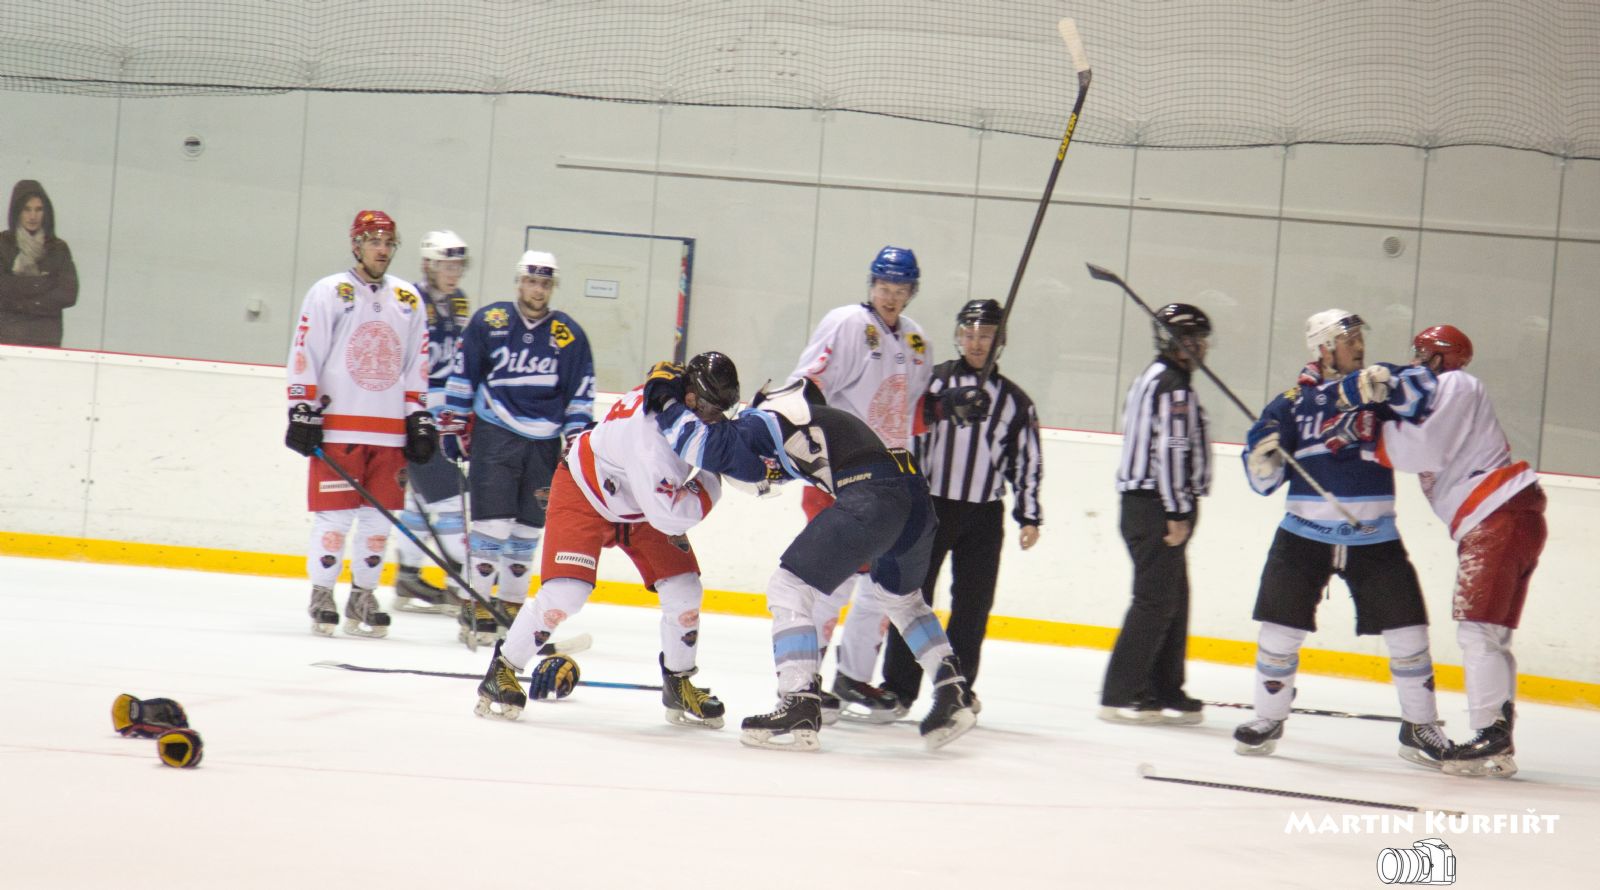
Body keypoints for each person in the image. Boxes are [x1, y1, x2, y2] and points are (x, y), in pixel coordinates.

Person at [649, 373, 985, 751]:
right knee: (904, 601)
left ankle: (798, 700)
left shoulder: (768, 416)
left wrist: (663, 397)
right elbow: (767, 471)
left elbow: (706, 445)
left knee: (788, 586)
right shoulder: (817, 424)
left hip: (872, 496)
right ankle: (951, 689)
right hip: (917, 502)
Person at [473, 353, 739, 728]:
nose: (717, 419)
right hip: (586, 492)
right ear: (692, 399)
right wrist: (715, 470)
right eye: (713, 409)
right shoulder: (651, 442)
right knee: (565, 594)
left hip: (638, 498)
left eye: (723, 409)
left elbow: (662, 368)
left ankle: (679, 681)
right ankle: (501, 671)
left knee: (684, 589)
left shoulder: (676, 394)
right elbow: (673, 514)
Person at [1232, 308, 1449, 768]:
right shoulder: (1289, 403)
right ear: (1324, 347)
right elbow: (1261, 477)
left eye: (1358, 337)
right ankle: (1268, 717)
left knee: (1409, 632)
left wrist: (1384, 386)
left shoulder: (1378, 381)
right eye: (1348, 338)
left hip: (1375, 536)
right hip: (1302, 536)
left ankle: (1420, 726)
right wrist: (1263, 459)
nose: (1359, 345)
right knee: (1279, 630)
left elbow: (1425, 391)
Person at [1368, 325, 1546, 778]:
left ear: (1439, 357)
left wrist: (1370, 428)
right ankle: (1497, 740)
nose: (1416, 361)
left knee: (1477, 633)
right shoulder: (1442, 392)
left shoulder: (1456, 384)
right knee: (1491, 636)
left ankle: (1490, 733)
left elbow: (1423, 449)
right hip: (1502, 516)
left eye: (1423, 353)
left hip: (1495, 515)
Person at [787, 244, 933, 722]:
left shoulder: (916, 342)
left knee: (879, 587)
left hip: (889, 481)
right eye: (885, 287)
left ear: (912, 292)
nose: (892, 296)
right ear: (872, 285)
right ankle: (807, 681)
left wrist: (946, 410)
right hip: (841, 472)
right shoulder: (849, 323)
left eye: (901, 289)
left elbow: (909, 413)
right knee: (835, 579)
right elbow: (809, 381)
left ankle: (851, 676)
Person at [881, 298, 1042, 715]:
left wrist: (1030, 514)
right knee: (912, 599)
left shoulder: (1015, 402)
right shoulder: (933, 385)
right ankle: (898, 689)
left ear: (999, 341)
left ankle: (957, 691)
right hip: (931, 506)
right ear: (958, 336)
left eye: (985, 335)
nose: (975, 343)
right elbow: (906, 432)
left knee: (973, 606)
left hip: (984, 514)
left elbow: (1025, 460)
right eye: (969, 334)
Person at [284, 210, 437, 637]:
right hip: (338, 426)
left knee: (378, 523)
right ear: (356, 245)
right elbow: (305, 350)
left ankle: (363, 597)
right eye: (373, 241)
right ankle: (322, 595)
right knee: (334, 522)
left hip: (388, 430)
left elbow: (416, 364)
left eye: (388, 243)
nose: (382, 250)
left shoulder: (408, 299)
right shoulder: (329, 291)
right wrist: (302, 406)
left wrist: (418, 415)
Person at [442, 250, 595, 648]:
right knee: (493, 525)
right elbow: (463, 374)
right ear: (519, 282)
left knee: (528, 530)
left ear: (551, 286)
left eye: (545, 283)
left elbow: (581, 394)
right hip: (495, 436)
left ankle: (510, 605)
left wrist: (576, 442)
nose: (538, 289)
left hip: (544, 445)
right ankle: (476, 603)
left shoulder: (570, 334)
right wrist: (453, 424)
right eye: (531, 281)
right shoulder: (491, 322)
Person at [1099, 303, 1212, 726]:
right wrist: (1178, 510)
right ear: (1170, 341)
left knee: (1174, 598)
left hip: (1143, 504)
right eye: (1190, 340)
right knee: (1155, 601)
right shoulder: (1175, 386)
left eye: (1201, 340)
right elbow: (1172, 451)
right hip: (1158, 506)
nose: (1199, 348)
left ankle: (1164, 688)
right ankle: (1123, 692)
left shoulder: (1153, 378)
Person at [391, 231, 473, 616]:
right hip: (418, 416)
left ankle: (408, 574)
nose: (453, 272)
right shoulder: (407, 301)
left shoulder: (458, 303)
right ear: (428, 264)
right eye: (445, 264)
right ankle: (460, 582)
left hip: (445, 416)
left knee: (422, 499)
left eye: (457, 265)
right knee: (456, 498)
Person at [0, 180, 78, 347]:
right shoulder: (3, 244)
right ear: (17, 211)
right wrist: (44, 284)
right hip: (7, 337)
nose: (32, 216)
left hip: (46, 339)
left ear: (46, 212)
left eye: (38, 209)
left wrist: (20, 298)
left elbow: (68, 294)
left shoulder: (58, 249)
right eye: (27, 209)